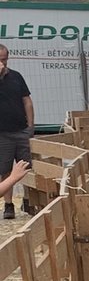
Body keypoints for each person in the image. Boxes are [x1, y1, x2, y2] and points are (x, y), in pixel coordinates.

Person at [0, 44, 34, 219]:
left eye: (4, 59)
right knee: (5, 169)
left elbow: (27, 100)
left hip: (20, 130)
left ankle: (29, 200)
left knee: (26, 166)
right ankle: (8, 204)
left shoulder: (16, 77)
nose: (2, 63)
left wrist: (30, 126)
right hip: (2, 133)